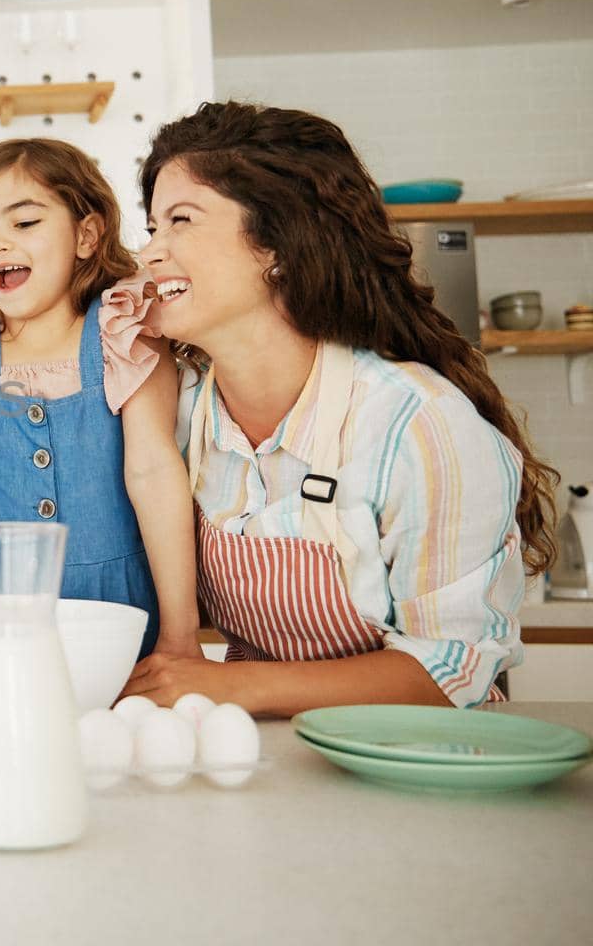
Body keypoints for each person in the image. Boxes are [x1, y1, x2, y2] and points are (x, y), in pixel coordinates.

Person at [122, 101, 558, 714]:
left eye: (181, 221)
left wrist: (228, 686)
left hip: (419, 766)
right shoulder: (182, 417)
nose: (149, 254)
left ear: (275, 242)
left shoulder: (418, 424)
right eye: (152, 228)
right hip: (272, 757)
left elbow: (453, 667)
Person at [0, 139, 198, 661]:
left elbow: (153, 474)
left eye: (25, 223)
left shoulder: (123, 332)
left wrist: (181, 635)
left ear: (85, 235)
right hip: (3, 618)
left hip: (124, 615)